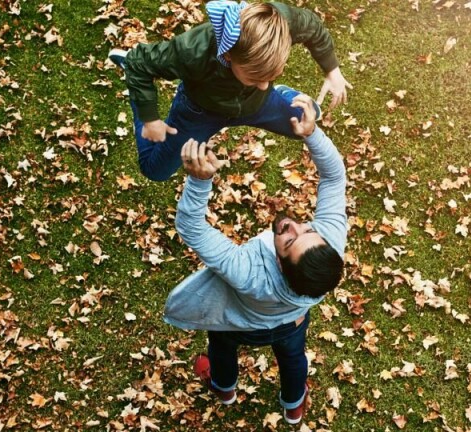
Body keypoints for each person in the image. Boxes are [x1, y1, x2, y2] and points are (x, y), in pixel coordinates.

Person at [162, 95, 346, 425]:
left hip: (236, 324)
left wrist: (200, 181)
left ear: (280, 265)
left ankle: (223, 389)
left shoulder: (248, 271)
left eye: (289, 240)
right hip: (292, 324)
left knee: (221, 349)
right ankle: (294, 405)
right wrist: (313, 134)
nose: (293, 224)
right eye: (308, 229)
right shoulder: (328, 246)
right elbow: (334, 178)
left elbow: (191, 227)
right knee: (293, 359)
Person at [108, 0, 351, 181]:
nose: (265, 84)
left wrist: (332, 71)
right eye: (255, 77)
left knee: (304, 124)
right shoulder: (192, 51)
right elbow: (140, 64)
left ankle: (282, 95)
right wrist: (149, 118)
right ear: (228, 56)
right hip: (199, 111)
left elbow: (313, 27)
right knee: (155, 170)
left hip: (256, 103)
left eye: (271, 77)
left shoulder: (279, 24)